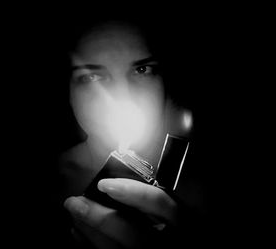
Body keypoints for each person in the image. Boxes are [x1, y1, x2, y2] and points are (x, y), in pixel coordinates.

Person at [56, 18, 207, 248]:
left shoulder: (206, 184)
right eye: (91, 76)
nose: (122, 98)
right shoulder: (49, 180)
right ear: (67, 91)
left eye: (142, 69)